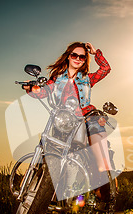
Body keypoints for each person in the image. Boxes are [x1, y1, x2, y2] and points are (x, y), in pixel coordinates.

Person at [23, 41, 113, 201]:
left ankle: (105, 184)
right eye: (74, 55)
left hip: (86, 116)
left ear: (85, 60)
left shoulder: (87, 78)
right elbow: (44, 92)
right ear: (68, 56)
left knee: (97, 137)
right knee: (48, 150)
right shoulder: (56, 78)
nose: (78, 58)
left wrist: (95, 52)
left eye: (82, 57)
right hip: (63, 119)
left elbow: (105, 69)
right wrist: (32, 89)